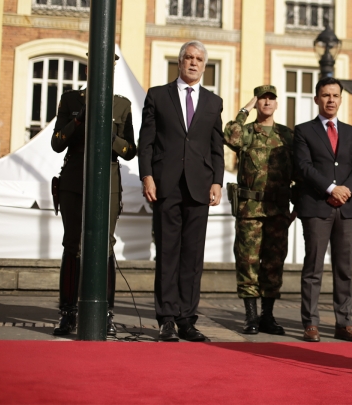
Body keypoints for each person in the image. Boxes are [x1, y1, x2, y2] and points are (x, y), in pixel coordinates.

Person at [138, 40, 224, 342]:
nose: (193, 62)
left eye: (199, 59)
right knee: (167, 253)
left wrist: (218, 181)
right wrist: (147, 176)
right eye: (188, 57)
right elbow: (145, 142)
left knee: (192, 256)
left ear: (204, 65)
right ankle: (166, 318)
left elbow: (217, 148)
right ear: (179, 62)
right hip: (166, 185)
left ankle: (187, 319)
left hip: (199, 187)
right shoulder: (158, 96)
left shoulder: (214, 102)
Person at [51, 54, 136, 337]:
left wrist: (110, 136)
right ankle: (68, 312)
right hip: (75, 177)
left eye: (108, 67)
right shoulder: (71, 100)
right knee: (72, 244)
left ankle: (106, 312)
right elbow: (56, 144)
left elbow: (130, 151)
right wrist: (79, 120)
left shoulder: (121, 104)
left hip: (108, 179)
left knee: (104, 245)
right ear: (89, 69)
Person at [294, 77, 352, 343]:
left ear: (341, 98)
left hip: (347, 208)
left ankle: (344, 323)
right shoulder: (303, 131)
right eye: (325, 95)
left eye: (335, 95)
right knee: (313, 266)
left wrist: (345, 189)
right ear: (316, 99)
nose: (331, 100)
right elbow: (303, 166)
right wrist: (330, 188)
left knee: (344, 267)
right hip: (316, 206)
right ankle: (310, 323)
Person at [223, 85, 294, 335]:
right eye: (262, 98)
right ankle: (251, 316)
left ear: (277, 104)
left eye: (271, 98)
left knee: (274, 263)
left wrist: (294, 209)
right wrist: (245, 109)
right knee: (248, 262)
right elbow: (230, 135)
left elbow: (297, 171)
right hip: (250, 210)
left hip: (277, 210)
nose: (266, 102)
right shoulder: (247, 133)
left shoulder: (287, 135)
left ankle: (268, 316)